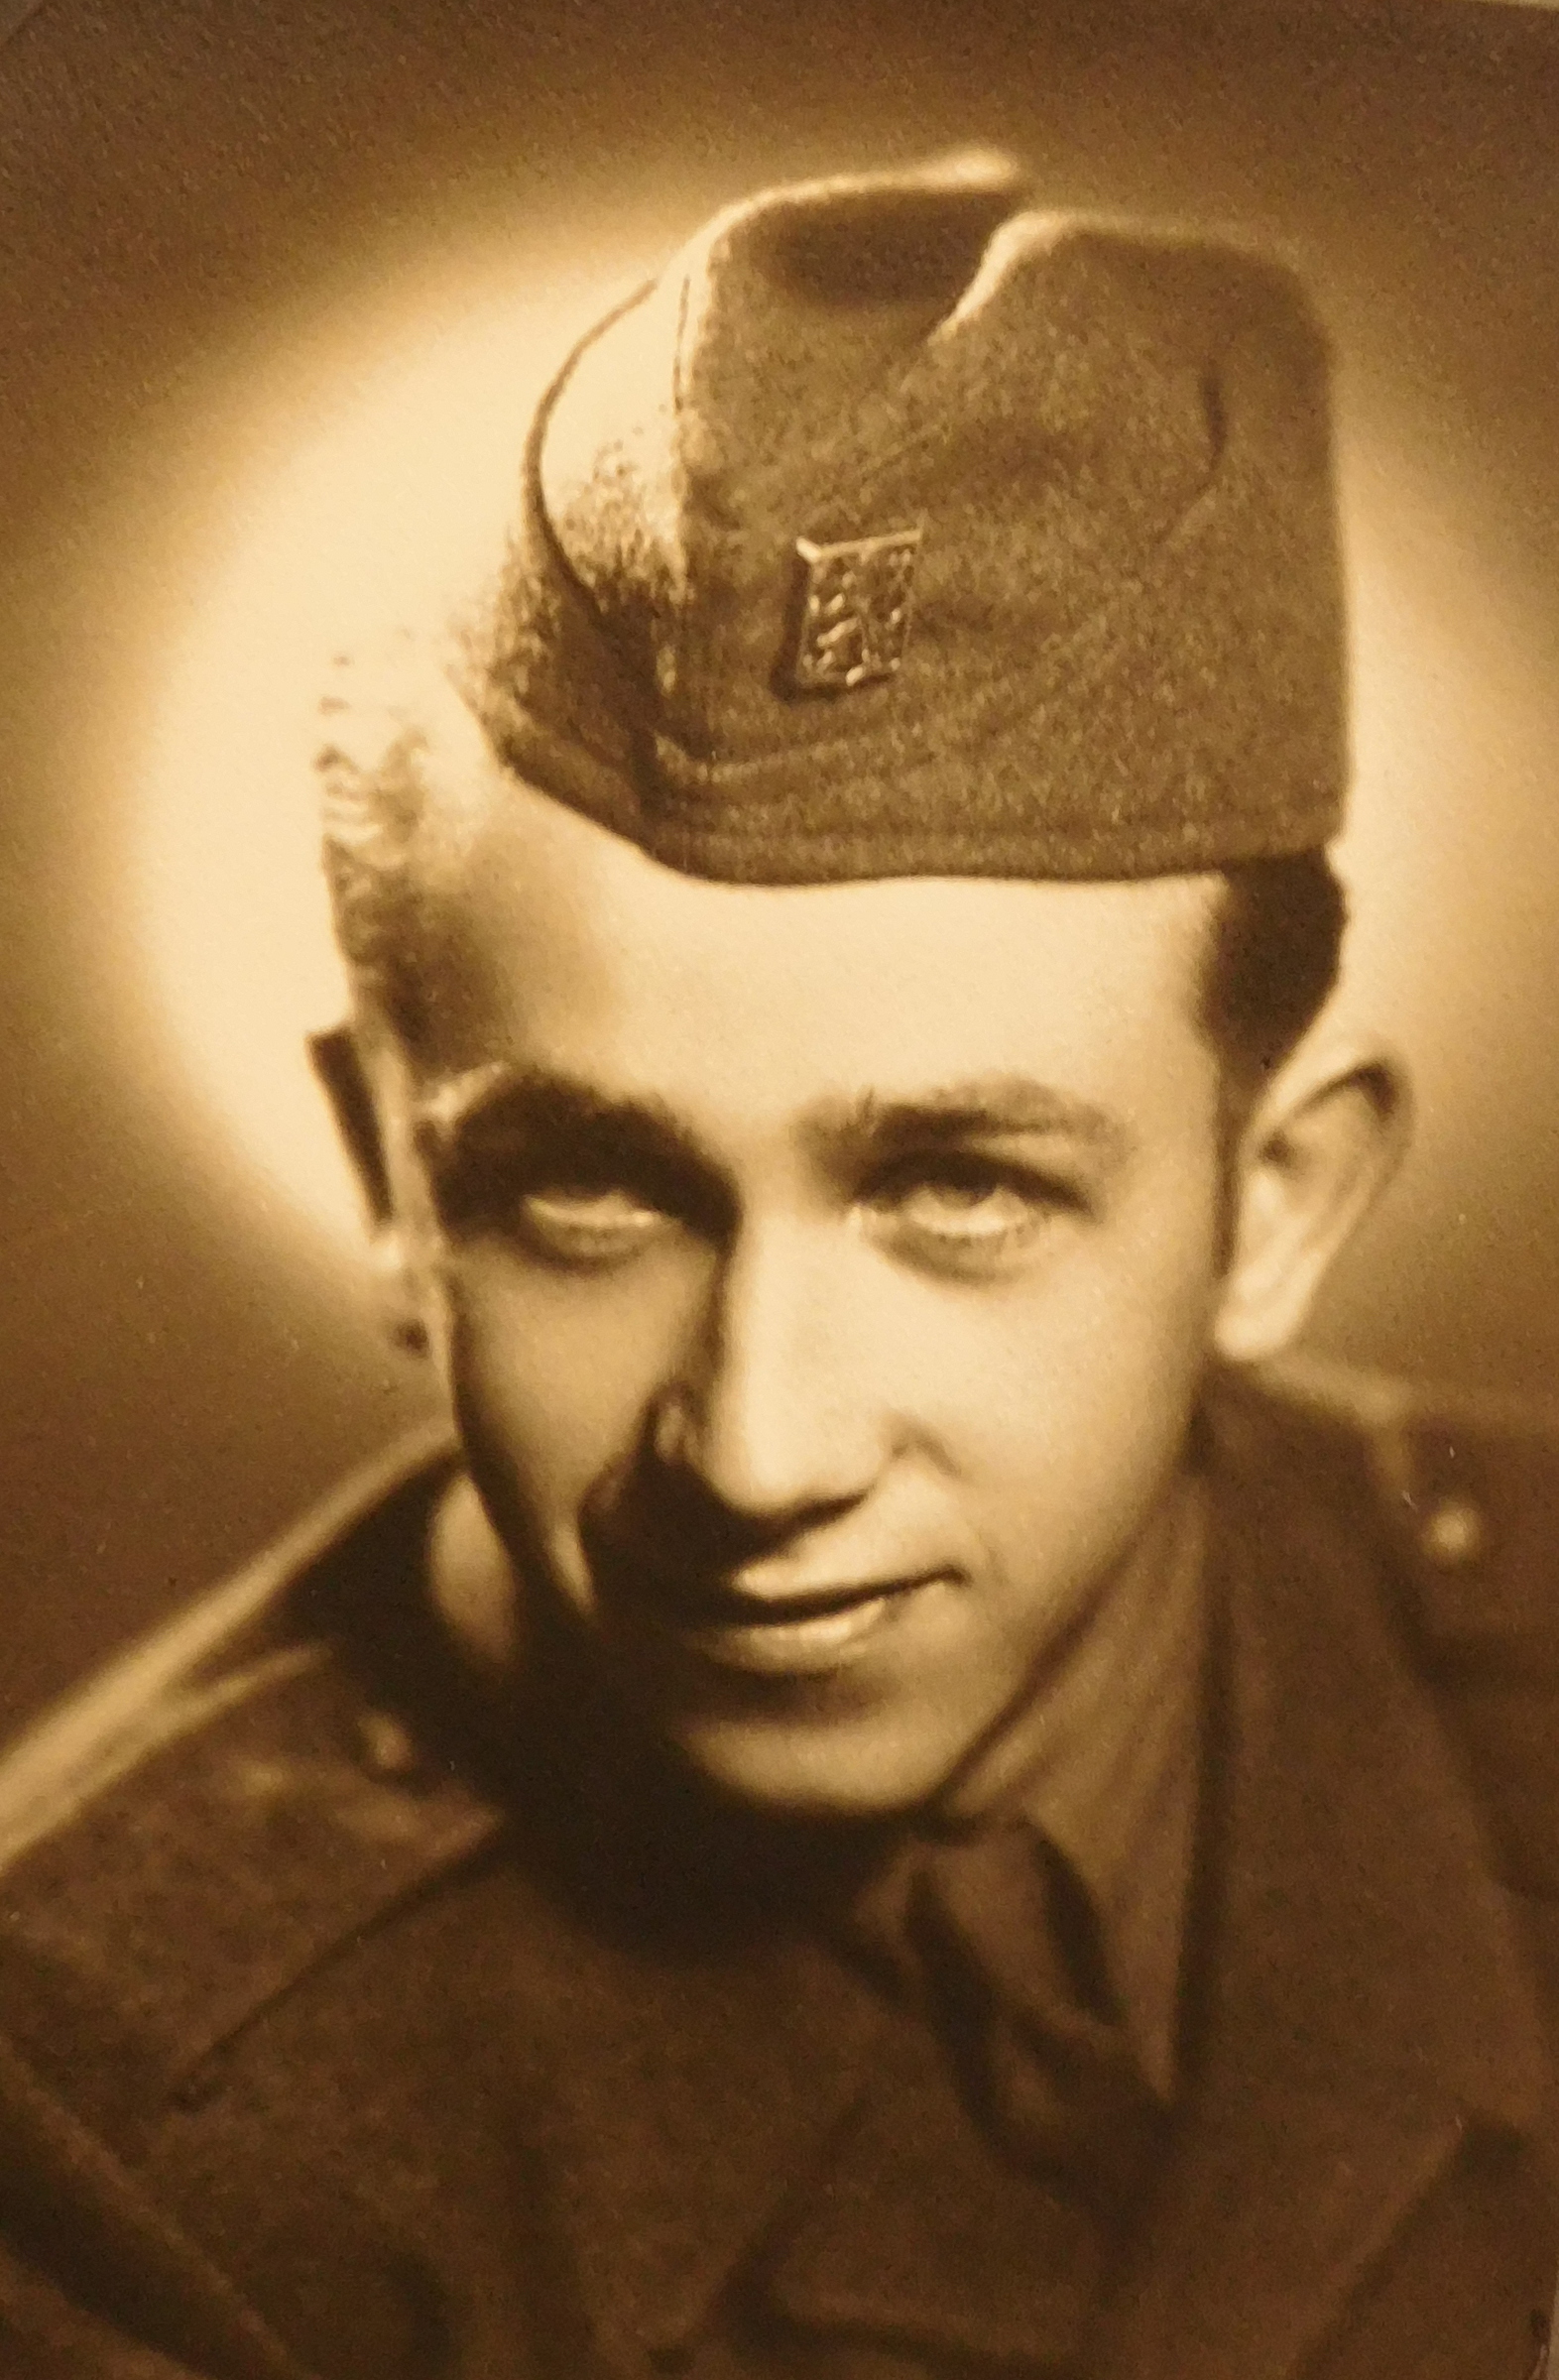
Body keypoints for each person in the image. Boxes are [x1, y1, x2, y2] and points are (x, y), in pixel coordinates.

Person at [0, 151, 1554, 2380]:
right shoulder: (104, 2118)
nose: (756, 1450)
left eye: (959, 1190)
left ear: (1282, 1200)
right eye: (593, 1195)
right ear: (392, 1188)